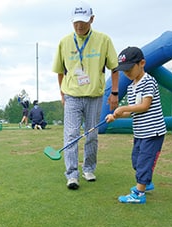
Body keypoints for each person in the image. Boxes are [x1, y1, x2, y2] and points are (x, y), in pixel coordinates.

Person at [52, 1, 119, 190]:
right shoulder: (64, 42)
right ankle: (72, 174)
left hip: (94, 95)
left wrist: (114, 92)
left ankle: (88, 168)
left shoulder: (103, 40)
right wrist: (62, 93)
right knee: (72, 134)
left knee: (91, 134)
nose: (79, 26)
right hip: (72, 95)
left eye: (83, 22)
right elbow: (60, 71)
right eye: (75, 22)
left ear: (92, 19)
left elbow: (114, 68)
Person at [105, 47, 166, 204]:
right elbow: (133, 112)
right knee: (136, 161)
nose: (126, 73)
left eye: (129, 68)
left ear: (142, 63)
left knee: (144, 161)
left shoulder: (148, 81)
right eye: (123, 70)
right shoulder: (131, 87)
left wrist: (123, 108)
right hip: (139, 132)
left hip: (153, 131)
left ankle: (139, 193)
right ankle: (147, 182)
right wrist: (115, 116)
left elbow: (144, 106)